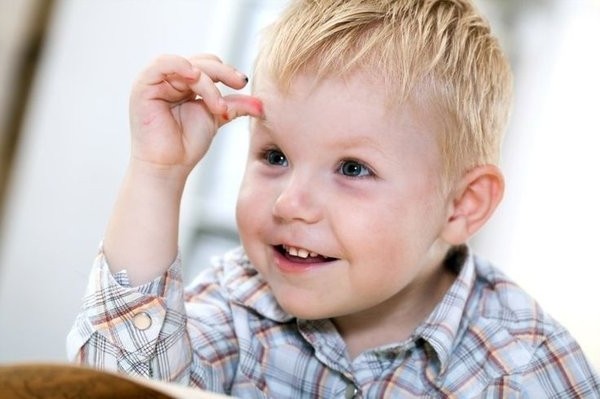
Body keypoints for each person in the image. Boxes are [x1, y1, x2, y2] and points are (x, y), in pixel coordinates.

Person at [67, 0, 600, 397]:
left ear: (462, 206)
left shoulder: (526, 370)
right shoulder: (238, 304)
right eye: (274, 156)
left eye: (352, 169)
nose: (290, 203)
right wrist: (158, 174)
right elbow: (120, 385)